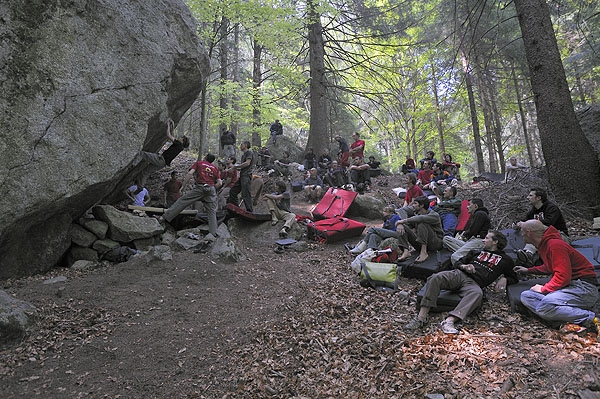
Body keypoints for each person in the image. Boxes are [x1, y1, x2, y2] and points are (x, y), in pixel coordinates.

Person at [405, 230, 518, 334]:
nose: (483, 240)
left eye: (487, 238)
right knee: (436, 277)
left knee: (477, 293)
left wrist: (505, 279)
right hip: (459, 274)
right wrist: (464, 266)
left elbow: (514, 278)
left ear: (495, 242)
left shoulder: (505, 260)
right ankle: (421, 317)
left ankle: (449, 321)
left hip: (474, 283)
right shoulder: (476, 252)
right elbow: (457, 263)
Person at [515, 220, 599, 332]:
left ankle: (592, 318)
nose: (521, 234)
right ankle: (565, 321)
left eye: (522, 231)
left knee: (545, 306)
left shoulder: (555, 245)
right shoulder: (545, 245)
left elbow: (563, 276)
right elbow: (549, 267)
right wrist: (528, 270)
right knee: (527, 296)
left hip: (584, 288)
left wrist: (543, 289)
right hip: (569, 287)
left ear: (529, 233)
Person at [162, 153, 222, 238]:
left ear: (205, 157)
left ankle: (164, 217)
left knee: (183, 201)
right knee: (211, 212)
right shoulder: (215, 168)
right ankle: (213, 234)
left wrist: (183, 186)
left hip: (200, 187)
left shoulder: (199, 163)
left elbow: (190, 173)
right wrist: (212, 188)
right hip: (211, 189)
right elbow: (220, 183)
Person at [515, 188, 569, 266]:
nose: (527, 197)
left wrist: (528, 224)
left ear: (538, 198)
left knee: (534, 229)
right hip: (543, 237)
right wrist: (517, 224)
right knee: (529, 229)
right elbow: (525, 220)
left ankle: (529, 253)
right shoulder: (533, 211)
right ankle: (527, 256)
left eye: (530, 195)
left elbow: (549, 223)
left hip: (560, 236)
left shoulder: (551, 208)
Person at [134, 119, 190, 194]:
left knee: (142, 153)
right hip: (162, 164)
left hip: (160, 159)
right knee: (145, 172)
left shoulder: (178, 144)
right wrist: (171, 126)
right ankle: (140, 187)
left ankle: (133, 164)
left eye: (181, 138)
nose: (179, 138)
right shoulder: (180, 147)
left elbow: (168, 135)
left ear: (182, 141)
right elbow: (173, 137)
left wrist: (167, 125)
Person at [395, 196, 444, 263]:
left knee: (422, 223)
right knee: (402, 226)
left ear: (421, 205)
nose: (412, 205)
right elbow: (408, 224)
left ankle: (424, 252)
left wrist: (402, 221)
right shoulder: (416, 215)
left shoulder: (434, 215)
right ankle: (406, 251)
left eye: (415, 203)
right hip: (420, 243)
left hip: (435, 243)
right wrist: (400, 224)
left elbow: (422, 218)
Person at [443, 198, 491, 265]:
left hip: (478, 241)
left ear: (475, 206)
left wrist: (464, 235)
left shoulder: (480, 213)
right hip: (471, 241)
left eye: (469, 204)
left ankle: (461, 269)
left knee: (455, 257)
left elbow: (473, 230)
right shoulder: (477, 214)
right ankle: (471, 255)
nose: (467, 207)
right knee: (446, 239)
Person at [228, 141, 255, 212]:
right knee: (233, 191)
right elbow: (242, 167)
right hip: (242, 176)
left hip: (246, 176)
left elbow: (247, 163)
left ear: (246, 145)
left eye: (241, 144)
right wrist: (234, 168)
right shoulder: (243, 155)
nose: (240, 146)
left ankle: (249, 211)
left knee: (245, 193)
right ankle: (235, 208)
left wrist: (234, 167)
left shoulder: (249, 153)